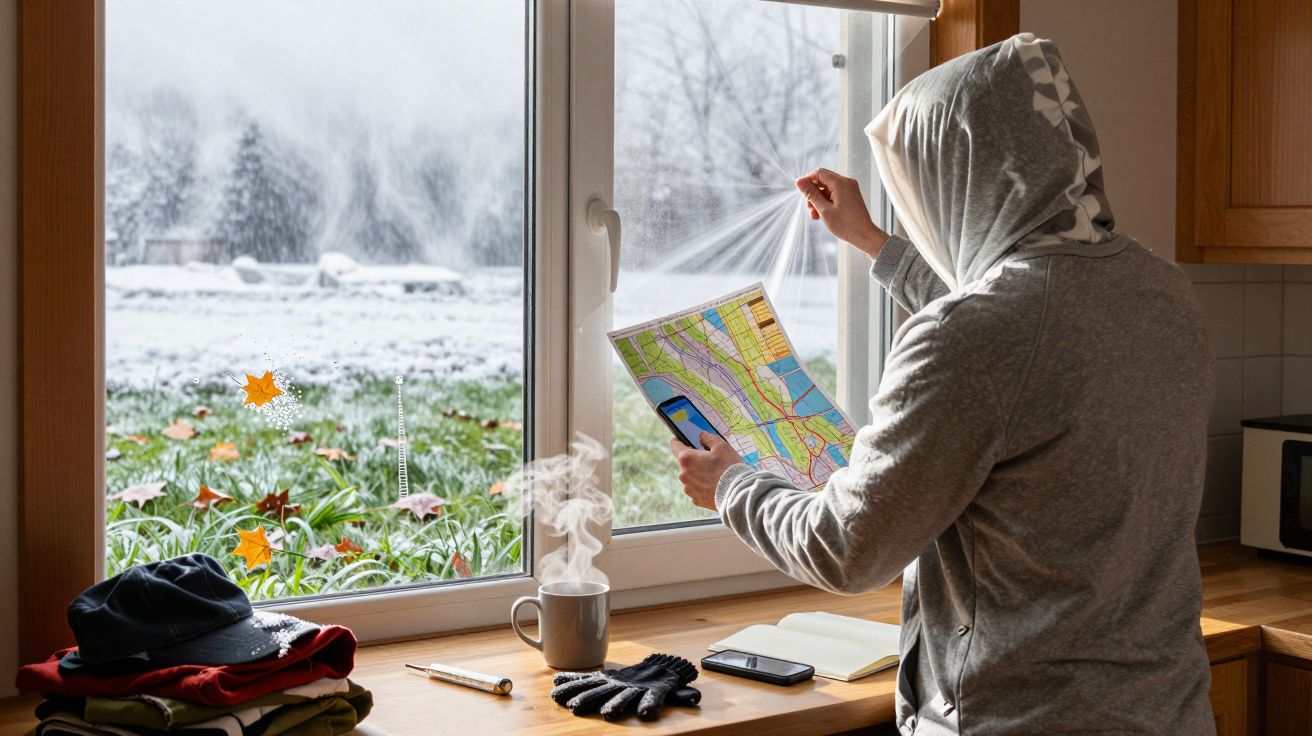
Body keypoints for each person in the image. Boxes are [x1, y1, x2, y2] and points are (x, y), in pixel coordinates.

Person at [670, 33, 1215, 735]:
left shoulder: (975, 338)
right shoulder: (1163, 291)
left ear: (964, 176)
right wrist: (876, 242)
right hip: (1167, 712)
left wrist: (733, 487)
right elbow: (1026, 344)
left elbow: (847, 547)